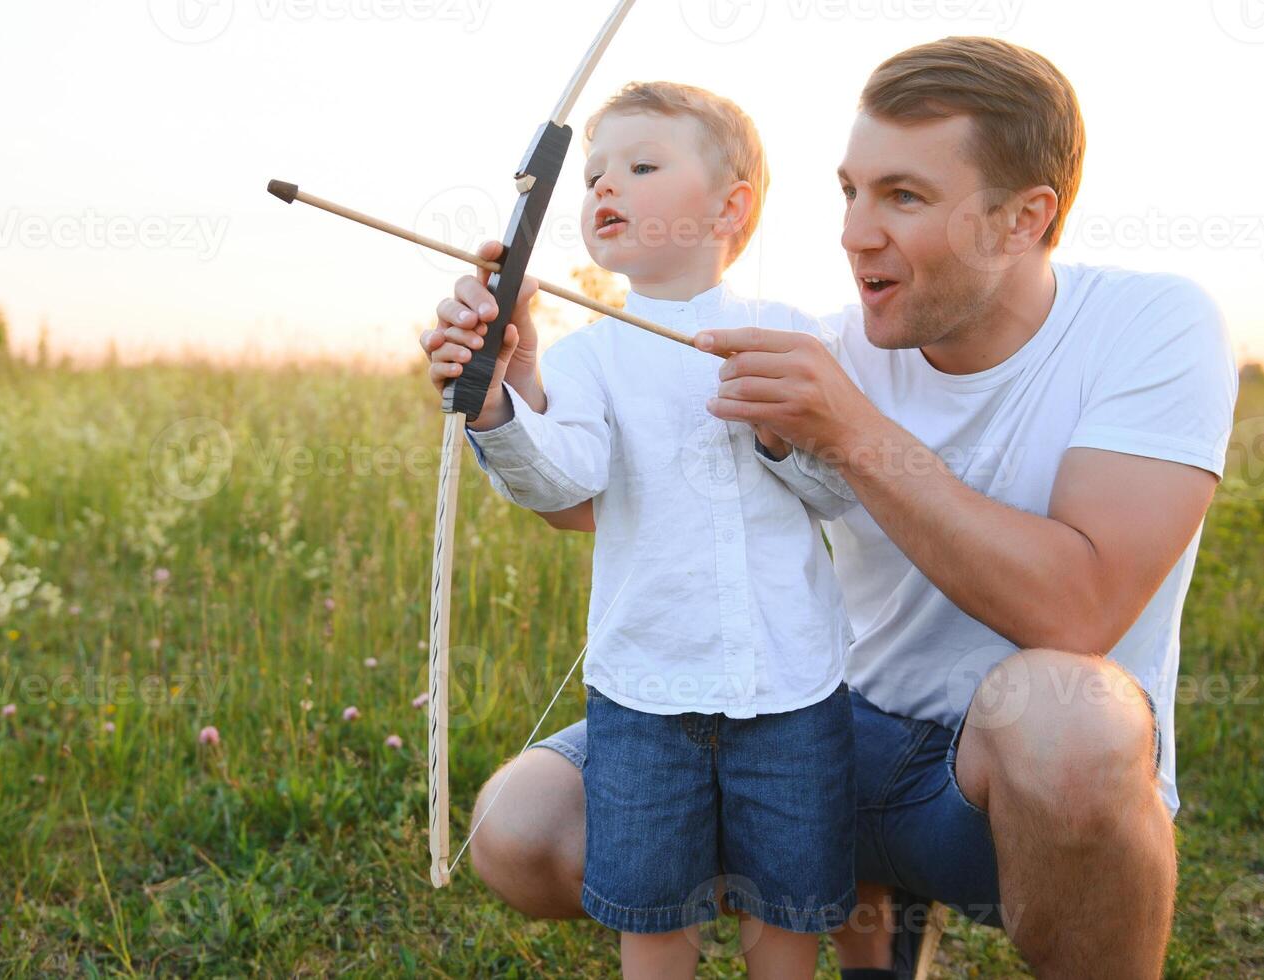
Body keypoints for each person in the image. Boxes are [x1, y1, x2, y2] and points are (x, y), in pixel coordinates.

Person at [420, 38, 1238, 980]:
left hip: (994, 785)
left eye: (903, 196)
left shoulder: (1149, 326)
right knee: (520, 828)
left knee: (1073, 714)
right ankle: (871, 903)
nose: (853, 233)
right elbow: (610, 502)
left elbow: (1077, 610)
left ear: (1021, 219)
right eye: (849, 191)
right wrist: (515, 389)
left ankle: (909, 899)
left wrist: (848, 431)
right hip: (808, 725)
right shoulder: (822, 342)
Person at [424, 80, 866, 978]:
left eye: (640, 165)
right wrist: (499, 396)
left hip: (789, 686)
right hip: (644, 697)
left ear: (728, 207)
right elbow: (561, 478)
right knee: (653, 909)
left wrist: (785, 436)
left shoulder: (791, 335)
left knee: (785, 908)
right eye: (590, 176)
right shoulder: (587, 355)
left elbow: (840, 493)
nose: (602, 189)